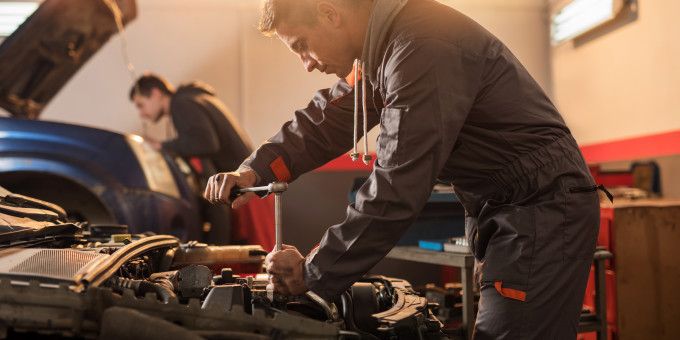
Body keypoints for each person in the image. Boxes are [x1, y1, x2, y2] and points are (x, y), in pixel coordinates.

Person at [204, 0, 606, 338]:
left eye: (303, 46)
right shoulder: (386, 47)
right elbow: (328, 119)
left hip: (540, 209)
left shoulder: (421, 47)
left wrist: (314, 272)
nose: (307, 64)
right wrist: (254, 171)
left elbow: (397, 183)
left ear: (329, 13)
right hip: (506, 209)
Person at [130, 73, 253, 243]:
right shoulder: (191, 99)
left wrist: (160, 146)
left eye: (141, 105)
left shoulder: (182, 104)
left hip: (244, 191)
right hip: (245, 184)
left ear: (156, 93)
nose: (141, 114)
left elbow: (206, 143)